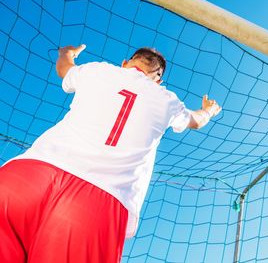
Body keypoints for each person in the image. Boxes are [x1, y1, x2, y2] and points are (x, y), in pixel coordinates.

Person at [0, 44, 222, 263]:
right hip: (95, 202)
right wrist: (209, 110)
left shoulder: (98, 70)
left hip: (26, 177)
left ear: (125, 63)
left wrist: (66, 53)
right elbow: (197, 120)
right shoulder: (168, 100)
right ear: (158, 80)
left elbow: (64, 69)